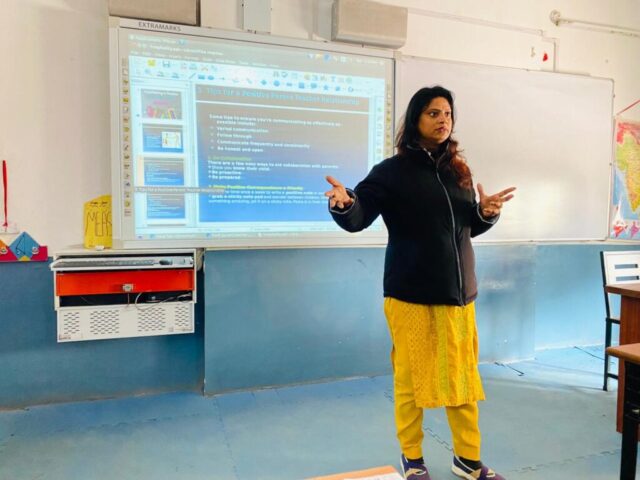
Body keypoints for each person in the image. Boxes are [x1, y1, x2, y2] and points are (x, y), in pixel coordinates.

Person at [324, 85, 515, 480]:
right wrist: (345, 204)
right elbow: (360, 214)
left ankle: (467, 459)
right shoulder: (391, 172)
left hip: (458, 297)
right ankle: (412, 458)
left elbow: (465, 227)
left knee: (463, 381)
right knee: (411, 383)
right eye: (433, 113)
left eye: (447, 113)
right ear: (415, 120)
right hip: (410, 296)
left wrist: (485, 212)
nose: (443, 120)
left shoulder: (458, 171)